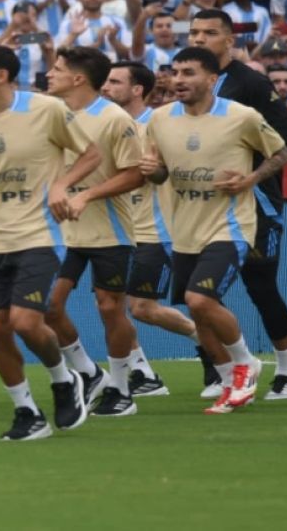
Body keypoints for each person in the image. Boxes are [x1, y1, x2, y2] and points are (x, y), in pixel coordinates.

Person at [0, 43, 104, 441]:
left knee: (25, 321)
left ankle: (64, 380)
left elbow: (91, 154)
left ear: (1, 75)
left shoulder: (46, 109)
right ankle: (27, 411)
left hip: (38, 233)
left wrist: (61, 184)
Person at [143, 46, 287, 413]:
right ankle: (230, 381)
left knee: (200, 299)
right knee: (199, 312)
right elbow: (161, 170)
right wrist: (154, 170)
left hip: (230, 225)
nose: (178, 80)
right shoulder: (159, 119)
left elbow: (282, 153)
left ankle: (245, 364)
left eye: (188, 73)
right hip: (184, 229)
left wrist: (251, 178)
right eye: (175, 72)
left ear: (211, 79)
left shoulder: (241, 116)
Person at [186, 8, 287, 397]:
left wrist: (247, 172)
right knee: (197, 291)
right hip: (197, 206)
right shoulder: (185, 82)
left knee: (261, 286)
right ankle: (220, 370)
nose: (199, 39)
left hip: (255, 203)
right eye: (195, 32)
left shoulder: (249, 83)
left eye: (209, 33)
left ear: (229, 40)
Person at [41, 47, 148, 418]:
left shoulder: (114, 119)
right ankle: (88, 373)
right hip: (62, 232)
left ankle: (121, 387)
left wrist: (87, 194)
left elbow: (136, 172)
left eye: (55, 69)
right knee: (47, 305)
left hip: (109, 230)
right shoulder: (50, 113)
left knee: (109, 307)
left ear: (78, 78)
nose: (48, 75)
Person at [101, 59, 206, 396]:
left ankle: (213, 345)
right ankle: (143, 375)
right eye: (105, 81)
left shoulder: (160, 123)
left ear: (137, 90)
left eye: (115, 82)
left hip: (154, 228)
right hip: (115, 230)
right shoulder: (103, 125)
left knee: (142, 308)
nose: (106, 87)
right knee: (110, 306)